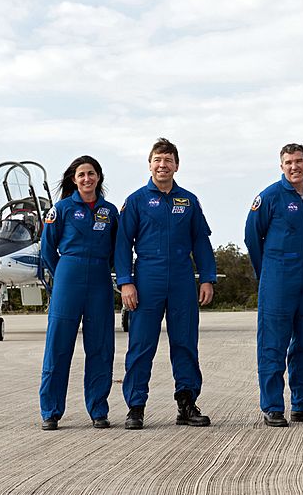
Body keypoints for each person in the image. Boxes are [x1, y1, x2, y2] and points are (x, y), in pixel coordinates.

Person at [115, 138, 217, 430]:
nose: (163, 165)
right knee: (141, 344)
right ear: (149, 165)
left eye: (168, 160)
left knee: (185, 342)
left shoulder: (189, 201)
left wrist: (207, 277)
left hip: (182, 278)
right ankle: (136, 407)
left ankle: (187, 403)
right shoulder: (136, 201)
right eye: (158, 160)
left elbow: (201, 241)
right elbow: (122, 244)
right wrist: (126, 282)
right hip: (148, 277)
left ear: (177, 166)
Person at [244, 143, 303, 427]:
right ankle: (273, 406)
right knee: (273, 344)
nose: (294, 167)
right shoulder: (270, 196)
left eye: (298, 161)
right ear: (281, 166)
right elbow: (252, 237)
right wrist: (268, 272)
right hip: (279, 278)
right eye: (288, 162)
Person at [39, 155, 119, 430]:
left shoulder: (110, 211)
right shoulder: (60, 209)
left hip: (99, 281)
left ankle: (98, 410)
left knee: (101, 347)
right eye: (81, 174)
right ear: (74, 180)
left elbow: (116, 249)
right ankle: (51, 411)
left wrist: (101, 267)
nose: (87, 179)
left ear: (99, 177)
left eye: (91, 173)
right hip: (68, 278)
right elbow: (48, 249)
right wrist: (63, 273)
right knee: (58, 346)